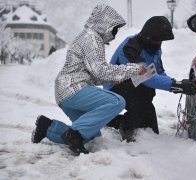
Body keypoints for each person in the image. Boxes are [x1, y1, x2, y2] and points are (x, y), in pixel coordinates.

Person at [31, 4, 146, 155]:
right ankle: (74, 135)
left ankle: (47, 127)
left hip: (65, 91)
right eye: (115, 28)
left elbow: (92, 73)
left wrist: (109, 79)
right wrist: (134, 69)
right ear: (105, 23)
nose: (115, 33)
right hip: (72, 88)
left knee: (90, 135)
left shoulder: (87, 36)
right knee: (117, 101)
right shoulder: (92, 38)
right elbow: (100, 70)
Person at [104, 16, 196, 142]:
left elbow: (159, 72)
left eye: (161, 41)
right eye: (157, 40)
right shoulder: (130, 47)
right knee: (144, 92)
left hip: (137, 88)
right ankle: (122, 124)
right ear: (148, 37)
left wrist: (178, 84)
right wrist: (174, 85)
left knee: (152, 128)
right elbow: (145, 77)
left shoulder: (154, 48)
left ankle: (132, 123)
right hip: (116, 89)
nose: (159, 44)